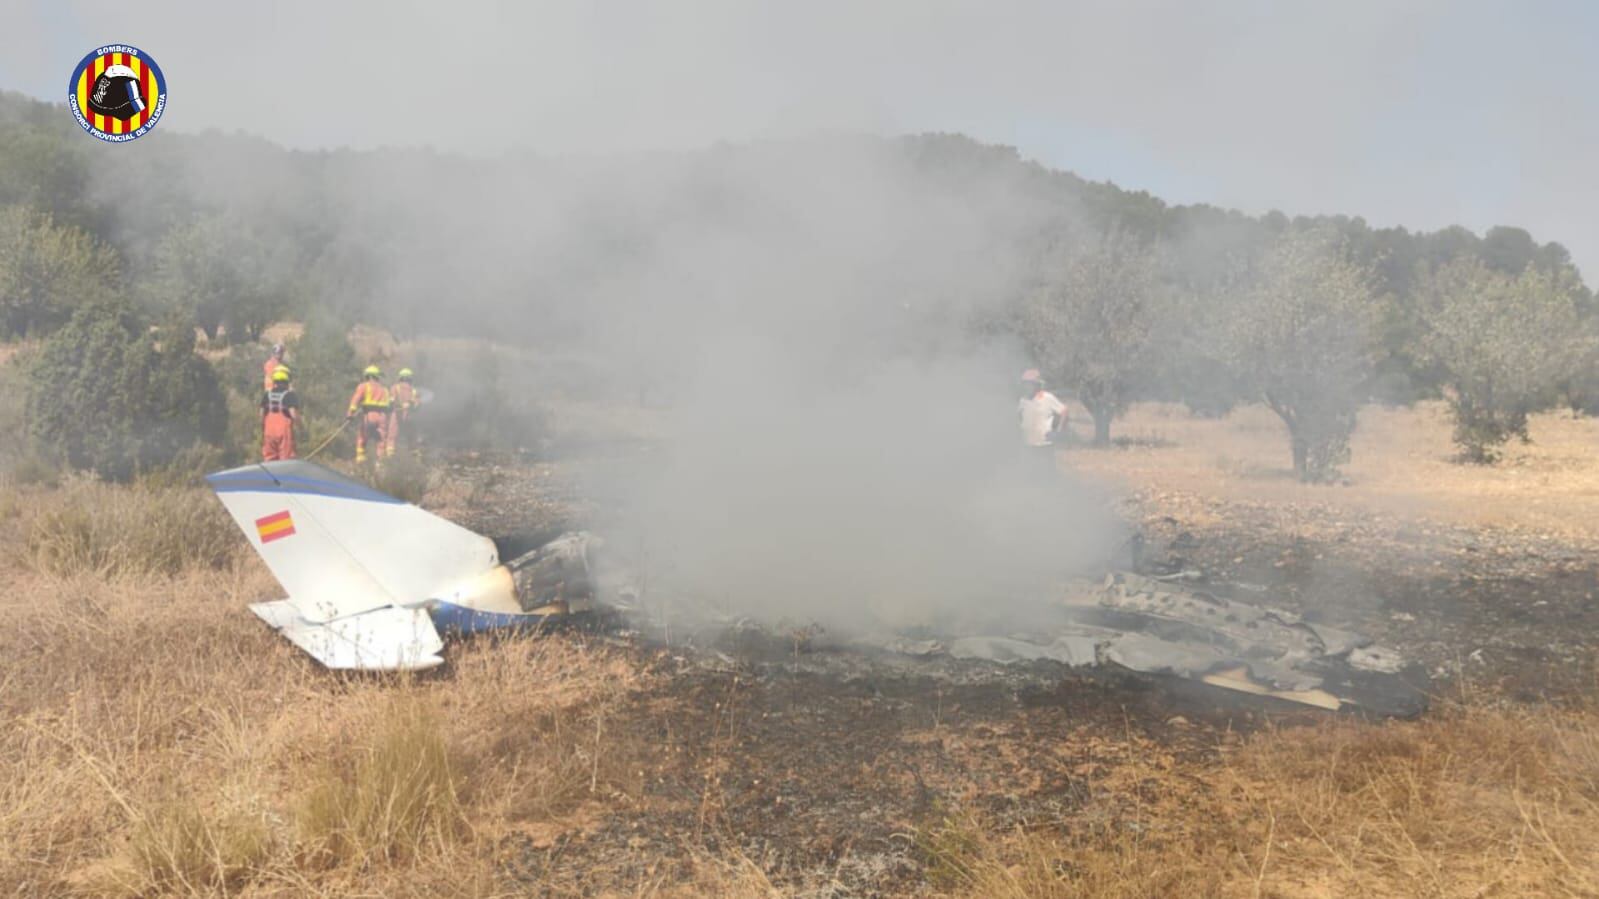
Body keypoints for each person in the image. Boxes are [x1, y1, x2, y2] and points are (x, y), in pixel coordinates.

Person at [347, 365, 391, 463]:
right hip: (382, 418)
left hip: (369, 416)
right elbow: (389, 406)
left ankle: (360, 462)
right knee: (381, 442)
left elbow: (355, 400)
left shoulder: (364, 386)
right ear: (377, 376)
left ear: (368, 376)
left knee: (362, 438)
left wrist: (350, 413)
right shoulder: (385, 390)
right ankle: (380, 466)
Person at [1018, 368, 1067, 453]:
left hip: (1044, 445)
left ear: (1037, 385)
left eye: (1030, 384)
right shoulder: (1022, 401)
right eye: (1025, 384)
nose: (1027, 387)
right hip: (1028, 445)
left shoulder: (1047, 397)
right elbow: (1018, 417)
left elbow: (1064, 411)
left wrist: (1057, 431)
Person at [261, 365, 300, 461]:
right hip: (284, 433)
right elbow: (294, 414)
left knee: (269, 460)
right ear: (287, 380)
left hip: (269, 433)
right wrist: (300, 426)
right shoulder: (289, 395)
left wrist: (264, 428)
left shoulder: (267, 395)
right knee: (286, 461)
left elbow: (261, 414)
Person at [386, 367, 416, 458]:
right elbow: (416, 405)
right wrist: (410, 404)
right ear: (410, 378)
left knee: (392, 436)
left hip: (397, 414)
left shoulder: (395, 387)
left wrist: (390, 408)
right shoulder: (414, 390)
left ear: (400, 377)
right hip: (409, 416)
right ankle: (413, 457)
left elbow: (391, 401)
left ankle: (390, 457)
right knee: (411, 437)